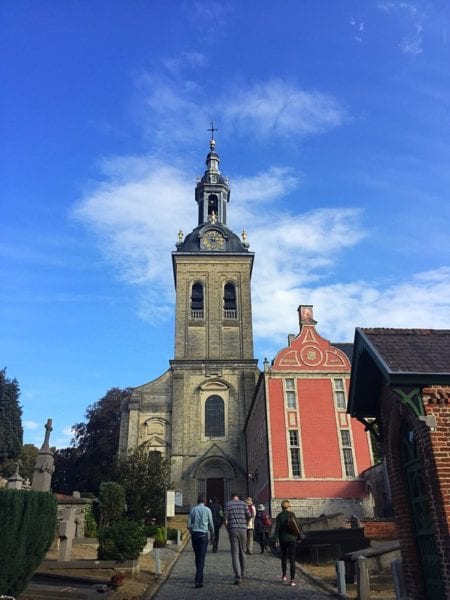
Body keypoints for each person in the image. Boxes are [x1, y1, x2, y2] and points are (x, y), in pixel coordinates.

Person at [187, 494, 215, 589]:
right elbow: (211, 524)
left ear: (197, 501)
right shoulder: (207, 510)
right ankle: (198, 580)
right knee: (201, 558)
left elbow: (188, 525)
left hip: (195, 535)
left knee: (197, 556)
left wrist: (192, 531)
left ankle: (199, 576)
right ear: (205, 501)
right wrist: (212, 535)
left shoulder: (193, 510)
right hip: (203, 535)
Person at [224, 492, 250, 585]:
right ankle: (243, 572)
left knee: (235, 553)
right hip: (243, 529)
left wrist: (228, 529)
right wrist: (246, 524)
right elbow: (249, 515)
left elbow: (225, 519)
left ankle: (237, 576)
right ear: (238, 497)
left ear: (232, 497)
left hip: (233, 529)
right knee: (242, 552)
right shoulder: (243, 504)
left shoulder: (228, 504)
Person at [274, 499, 299, 587]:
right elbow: (297, 527)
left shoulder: (279, 516)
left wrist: (276, 539)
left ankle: (284, 575)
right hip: (292, 539)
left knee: (284, 557)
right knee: (292, 559)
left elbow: (277, 529)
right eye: (290, 506)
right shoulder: (292, 514)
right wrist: (299, 537)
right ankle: (292, 580)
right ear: (288, 507)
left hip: (283, 539)